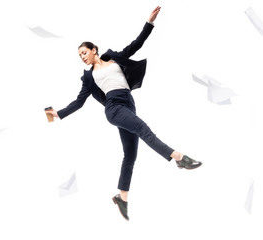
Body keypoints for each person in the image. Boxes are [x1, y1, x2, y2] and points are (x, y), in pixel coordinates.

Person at [45, 6, 202, 221]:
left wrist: (150, 23)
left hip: (129, 105)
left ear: (94, 50)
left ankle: (122, 197)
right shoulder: (89, 78)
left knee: (130, 154)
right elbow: (79, 102)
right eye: (79, 55)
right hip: (114, 108)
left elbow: (135, 45)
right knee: (144, 129)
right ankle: (179, 158)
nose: (82, 57)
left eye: (84, 52)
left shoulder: (113, 58)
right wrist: (59, 113)